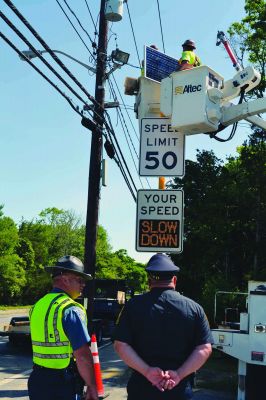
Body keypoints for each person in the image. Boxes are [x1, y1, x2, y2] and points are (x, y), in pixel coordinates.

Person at [113, 253, 213, 400]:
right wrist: (179, 374)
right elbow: (204, 348)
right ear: (174, 280)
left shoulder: (132, 306)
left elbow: (121, 345)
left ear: (149, 281)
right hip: (178, 390)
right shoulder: (195, 308)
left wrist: (147, 371)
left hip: (141, 389)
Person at [28, 255, 98, 400]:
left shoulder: (37, 306)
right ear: (65, 279)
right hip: (63, 384)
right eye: (80, 280)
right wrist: (92, 385)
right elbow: (82, 355)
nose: (83, 284)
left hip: (37, 380)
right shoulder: (71, 309)